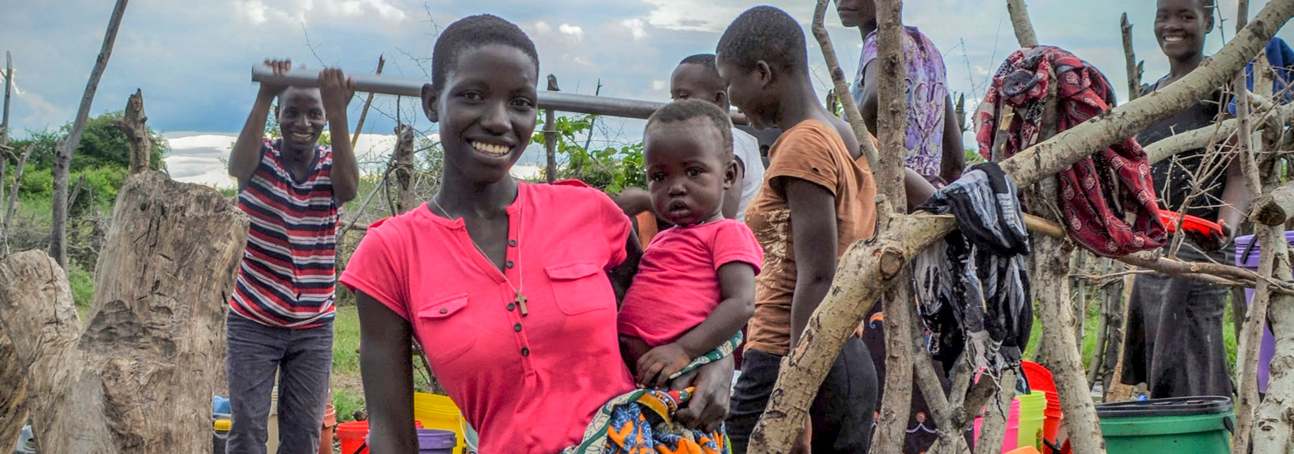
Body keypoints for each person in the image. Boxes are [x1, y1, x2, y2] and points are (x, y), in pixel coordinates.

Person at [338, 15, 733, 454]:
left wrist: (721, 362)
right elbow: (392, 433)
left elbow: (674, 308)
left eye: (521, 102)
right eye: (472, 96)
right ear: (432, 102)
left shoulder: (589, 213)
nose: (498, 121)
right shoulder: (390, 253)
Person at [715, 6, 880, 453]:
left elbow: (818, 275)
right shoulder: (853, 138)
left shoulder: (802, 143)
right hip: (845, 355)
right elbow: (922, 192)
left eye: (731, 86)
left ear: (763, 73)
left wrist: (795, 396)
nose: (732, 102)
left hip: (787, 357)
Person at [225, 60, 360, 453]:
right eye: (293, 112)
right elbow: (237, 167)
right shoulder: (259, 158)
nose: (303, 122)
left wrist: (338, 112)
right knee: (248, 430)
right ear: (278, 116)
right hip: (253, 319)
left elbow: (349, 190)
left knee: (303, 435)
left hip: (313, 325)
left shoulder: (331, 167)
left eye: (314, 113)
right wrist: (266, 92)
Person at [1122, 0, 1251, 399]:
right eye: (1164, 16)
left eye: (1186, 16)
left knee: (1192, 362)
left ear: (1209, 22)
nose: (1172, 26)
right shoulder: (1150, 95)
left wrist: (1225, 227)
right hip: (1153, 247)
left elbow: (1240, 173)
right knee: (1160, 369)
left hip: (1200, 248)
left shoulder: (1223, 88)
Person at [618, 99, 763, 390]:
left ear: (728, 175)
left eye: (693, 172)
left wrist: (684, 350)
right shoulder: (663, 237)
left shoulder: (727, 233)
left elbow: (742, 303)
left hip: (679, 373)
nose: (676, 186)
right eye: (659, 176)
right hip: (640, 373)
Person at [837, 0, 965, 183]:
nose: (841, 2)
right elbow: (956, 158)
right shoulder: (928, 48)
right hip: (925, 187)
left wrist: (842, 152)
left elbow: (874, 97)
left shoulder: (879, 41)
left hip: (886, 183)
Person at [670, 54, 766, 220]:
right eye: (674, 98)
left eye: (684, 96)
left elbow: (723, 215)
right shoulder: (739, 140)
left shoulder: (730, 143)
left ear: (718, 99)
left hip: (728, 244)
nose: (675, 106)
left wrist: (646, 202)